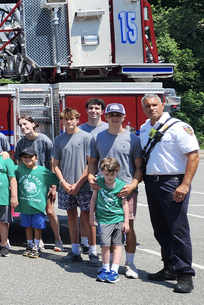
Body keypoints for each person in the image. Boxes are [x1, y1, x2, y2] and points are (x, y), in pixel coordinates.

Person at [139, 93, 199, 294]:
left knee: (178, 230)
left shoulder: (179, 127)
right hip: (152, 183)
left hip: (173, 183)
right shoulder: (145, 128)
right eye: (147, 106)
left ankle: (185, 274)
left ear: (162, 105)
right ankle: (170, 267)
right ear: (143, 108)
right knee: (160, 229)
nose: (151, 108)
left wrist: (185, 184)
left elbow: (193, 156)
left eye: (155, 104)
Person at [87, 103, 144, 276]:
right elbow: (92, 163)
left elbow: (139, 167)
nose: (115, 117)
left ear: (124, 117)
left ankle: (130, 263)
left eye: (118, 115)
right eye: (111, 114)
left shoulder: (133, 139)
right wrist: (90, 178)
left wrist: (133, 185)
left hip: (125, 189)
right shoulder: (97, 138)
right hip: (104, 189)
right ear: (106, 117)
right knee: (108, 228)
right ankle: (110, 264)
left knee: (128, 227)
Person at [51, 108, 94, 262]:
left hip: (83, 186)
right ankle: (75, 250)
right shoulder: (59, 139)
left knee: (85, 217)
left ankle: (90, 249)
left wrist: (78, 182)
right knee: (70, 216)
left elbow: (91, 163)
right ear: (62, 121)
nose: (69, 122)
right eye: (66, 119)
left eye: (72, 119)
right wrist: (63, 182)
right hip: (66, 186)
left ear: (77, 120)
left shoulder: (87, 137)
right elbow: (55, 164)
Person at [13, 116, 60, 252]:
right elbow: (19, 163)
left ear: (33, 124)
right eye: (20, 125)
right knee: (29, 213)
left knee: (50, 212)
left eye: (25, 124)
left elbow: (52, 162)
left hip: (43, 182)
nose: (23, 127)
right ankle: (37, 243)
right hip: (28, 183)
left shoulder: (44, 140)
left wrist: (53, 186)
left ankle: (58, 239)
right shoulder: (21, 143)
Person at [90, 157, 129, 283]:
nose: (110, 177)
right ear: (101, 171)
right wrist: (91, 215)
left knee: (117, 245)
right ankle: (105, 268)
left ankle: (114, 270)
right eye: (107, 174)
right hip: (104, 219)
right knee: (105, 245)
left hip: (118, 218)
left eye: (112, 174)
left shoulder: (121, 185)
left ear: (117, 172)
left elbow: (125, 204)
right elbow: (94, 199)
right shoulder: (98, 183)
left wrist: (126, 221)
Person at [15, 150, 58, 258]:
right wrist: (5, 155)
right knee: (27, 226)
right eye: (24, 157)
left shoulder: (43, 171)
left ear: (36, 159)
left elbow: (56, 178)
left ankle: (36, 246)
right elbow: (8, 170)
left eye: (30, 156)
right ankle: (29, 245)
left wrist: (53, 187)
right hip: (25, 205)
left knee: (37, 226)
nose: (27, 159)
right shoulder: (19, 169)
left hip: (38, 205)